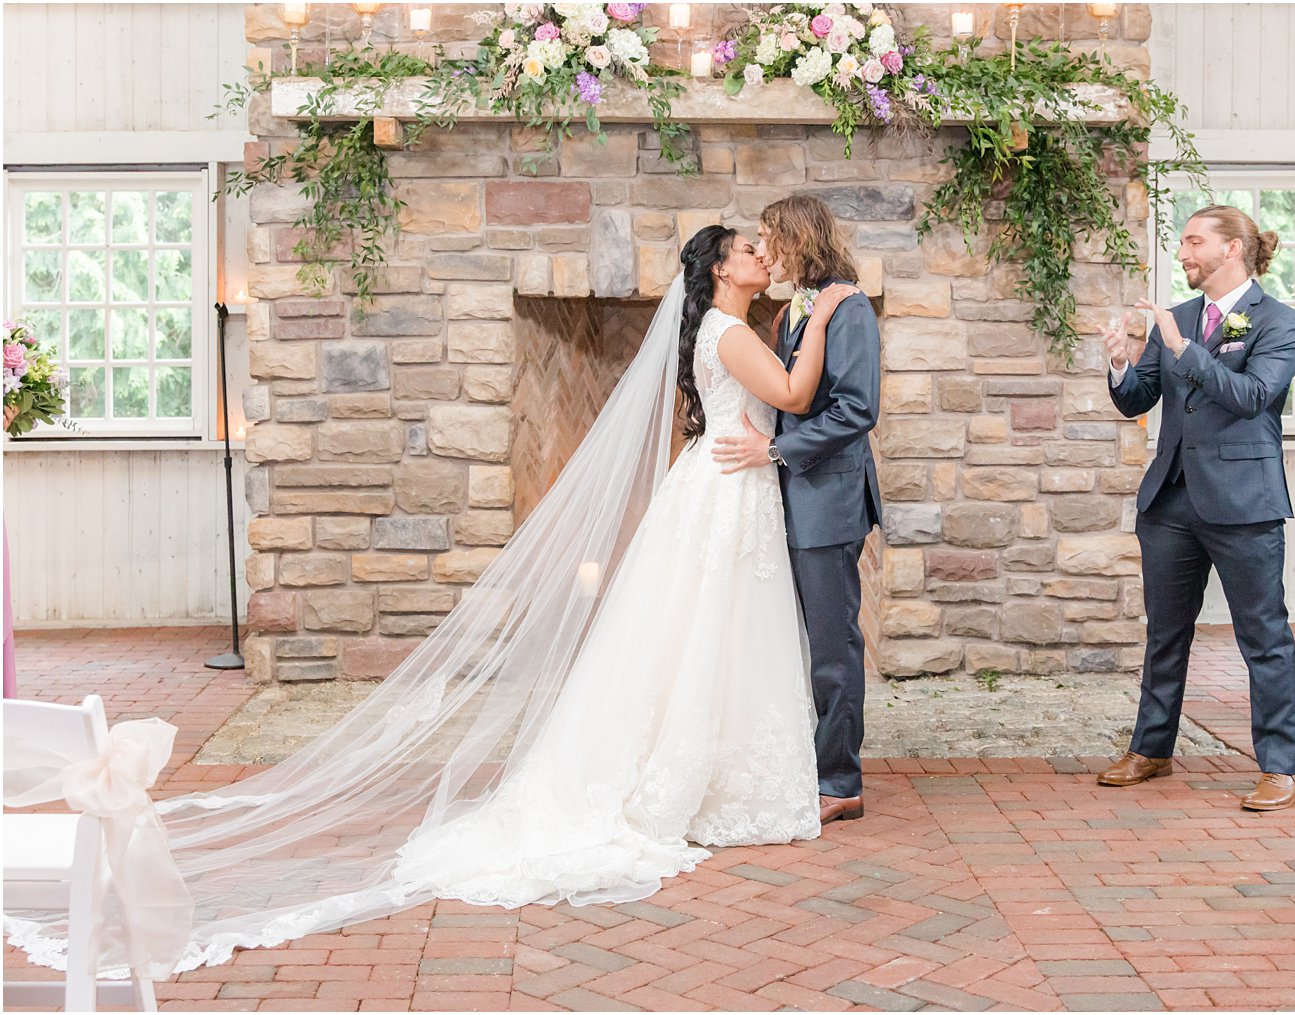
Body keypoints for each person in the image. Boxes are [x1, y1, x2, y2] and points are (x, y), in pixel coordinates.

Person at [5, 229, 861, 975]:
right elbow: (788, 396)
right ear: (717, 269)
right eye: (747, 248)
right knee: (712, 630)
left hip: (727, 488)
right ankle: (701, 769)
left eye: (761, 246)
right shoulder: (729, 330)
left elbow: (776, 402)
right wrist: (821, 321)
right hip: (724, 495)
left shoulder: (731, 327)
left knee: (706, 634)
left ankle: (715, 758)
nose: (762, 254)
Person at [1096, 205, 1295, 811]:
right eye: (1183, 243)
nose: (1183, 253)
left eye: (1194, 242)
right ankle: (1152, 748)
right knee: (1165, 632)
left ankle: (1281, 766)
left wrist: (1183, 348)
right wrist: (1119, 363)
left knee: (1262, 636)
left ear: (1232, 249)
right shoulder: (1181, 316)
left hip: (1244, 503)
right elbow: (1139, 397)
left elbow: (1254, 396)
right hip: (1170, 501)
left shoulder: (1281, 322)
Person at [711, 195, 883, 824]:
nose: (761, 249)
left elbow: (857, 410)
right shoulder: (791, 313)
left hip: (827, 500)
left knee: (832, 644)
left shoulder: (850, 309)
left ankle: (840, 782)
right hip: (783, 499)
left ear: (797, 240)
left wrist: (775, 450)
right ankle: (802, 762)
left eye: (768, 238)